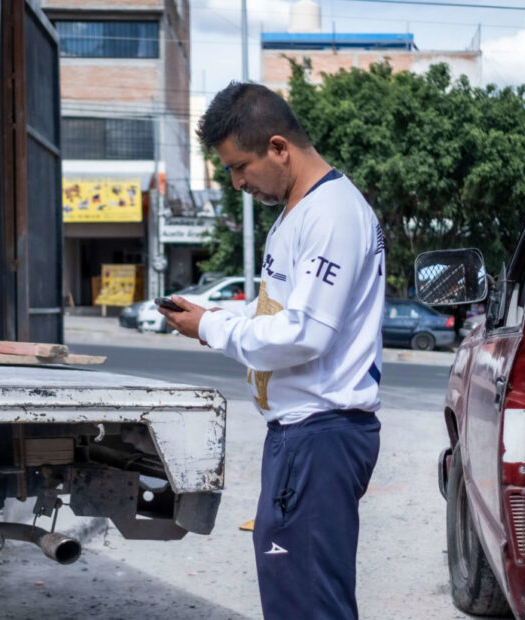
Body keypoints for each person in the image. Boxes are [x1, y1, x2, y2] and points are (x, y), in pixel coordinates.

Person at [159, 82, 385, 619]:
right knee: (293, 594)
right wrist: (210, 317)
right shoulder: (299, 212)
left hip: (319, 436)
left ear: (279, 147)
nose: (237, 183)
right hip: (301, 437)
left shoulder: (330, 214)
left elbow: (304, 334)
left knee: (308, 603)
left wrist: (212, 330)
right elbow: (279, 317)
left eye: (241, 167)